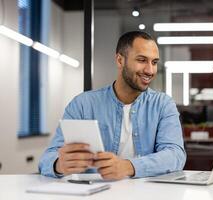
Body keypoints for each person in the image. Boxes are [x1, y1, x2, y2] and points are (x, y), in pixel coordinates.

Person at [39, 31, 186, 180]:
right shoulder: (83, 104)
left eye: (154, 62)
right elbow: (47, 159)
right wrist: (59, 164)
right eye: (142, 60)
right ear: (120, 60)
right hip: (95, 193)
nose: (150, 70)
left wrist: (128, 167)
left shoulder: (163, 105)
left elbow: (175, 155)